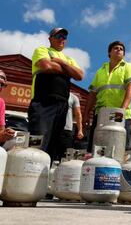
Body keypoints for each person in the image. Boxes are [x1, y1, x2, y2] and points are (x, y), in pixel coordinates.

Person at [28, 27, 84, 161]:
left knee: (53, 144)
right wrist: (68, 70)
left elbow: (79, 75)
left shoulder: (68, 58)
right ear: (50, 38)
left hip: (62, 105)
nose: (62, 39)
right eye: (58, 36)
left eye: (64, 37)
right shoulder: (42, 50)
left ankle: (45, 175)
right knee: (39, 141)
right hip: (43, 102)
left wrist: (61, 62)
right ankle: (30, 174)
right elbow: (46, 66)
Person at [83, 41, 131, 152]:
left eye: (121, 49)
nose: (119, 50)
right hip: (101, 114)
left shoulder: (128, 66)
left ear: (123, 54)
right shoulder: (100, 71)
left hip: (119, 113)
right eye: (115, 48)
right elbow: (93, 93)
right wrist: (86, 114)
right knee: (96, 147)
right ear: (109, 53)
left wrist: (122, 110)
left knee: (118, 147)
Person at [57, 92, 83, 160]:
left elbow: (78, 114)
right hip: (52, 128)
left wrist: (80, 130)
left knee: (66, 156)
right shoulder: (52, 93)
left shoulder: (73, 97)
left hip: (66, 130)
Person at [0, 70, 15, 143]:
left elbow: (1, 131)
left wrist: (6, 134)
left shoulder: (1, 103)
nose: (0, 87)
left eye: (2, 84)